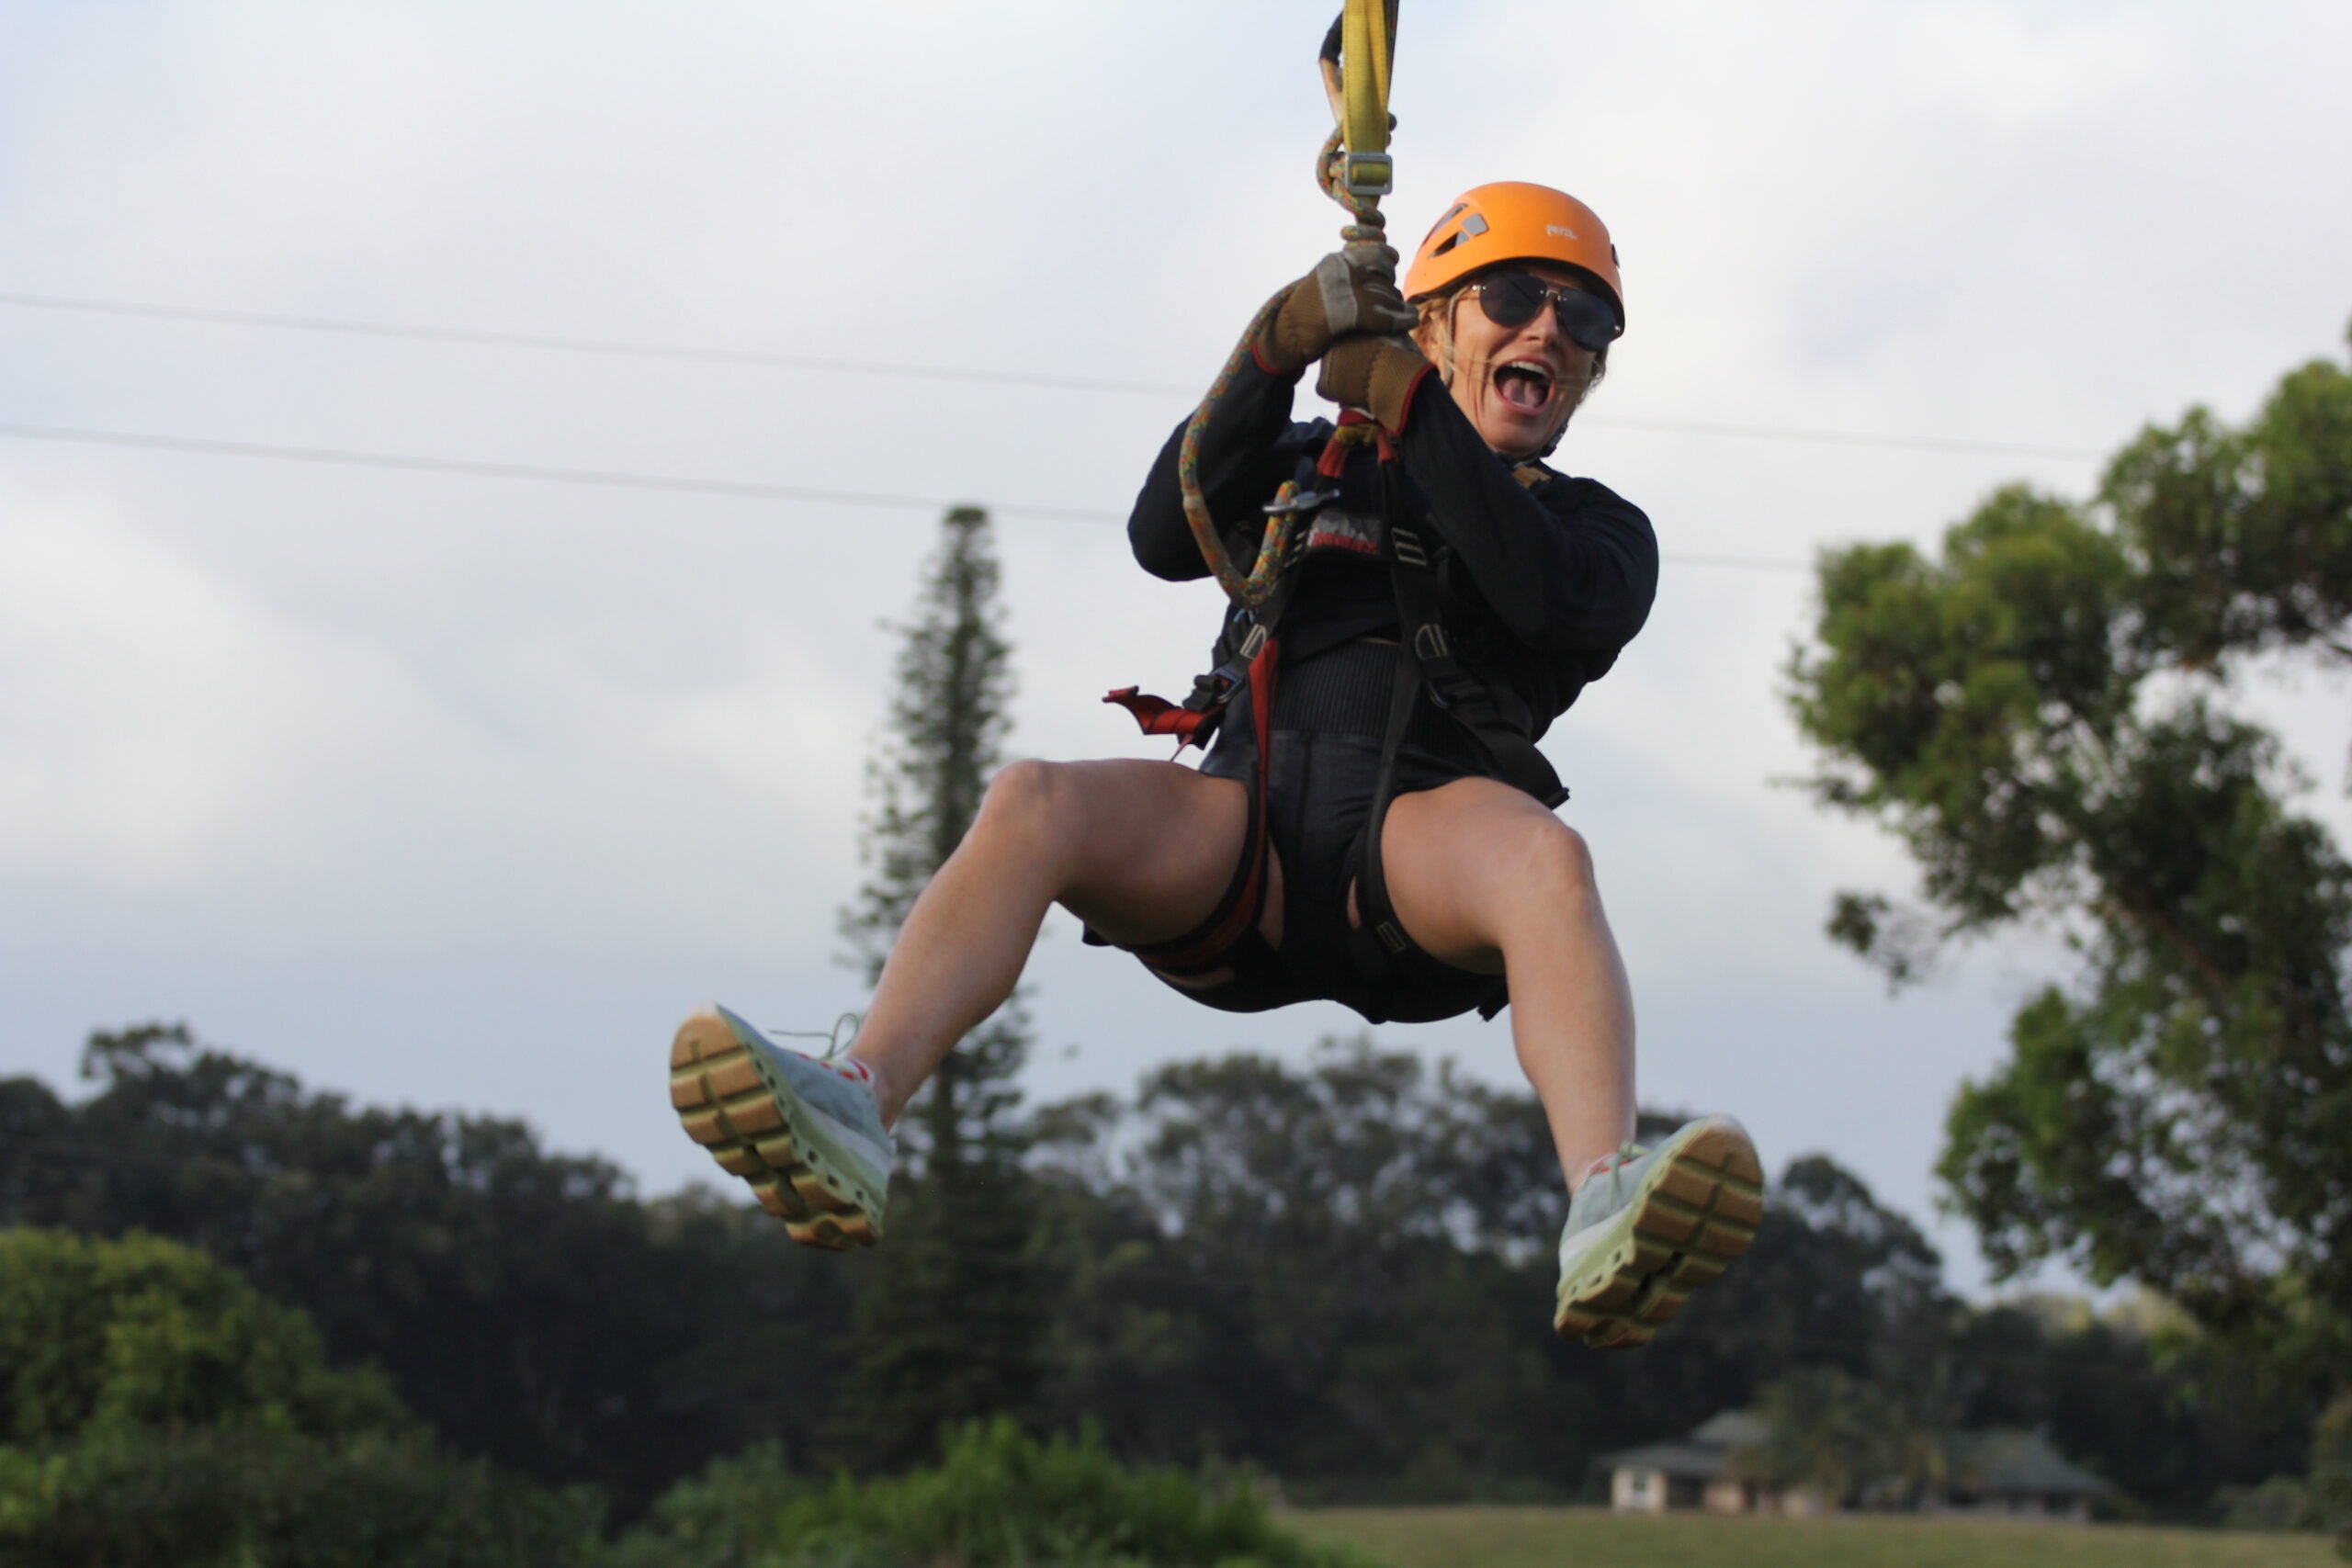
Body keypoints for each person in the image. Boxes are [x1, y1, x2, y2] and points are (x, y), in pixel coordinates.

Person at [668, 182, 1763, 1348]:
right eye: (1511, 297)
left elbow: (1532, 585)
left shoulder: (1601, 532)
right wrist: (1274, 345)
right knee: (1031, 799)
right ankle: (861, 1102)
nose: (1548, 330)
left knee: (1550, 864)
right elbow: (1161, 531)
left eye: (1583, 322)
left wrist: (1408, 406)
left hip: (1417, 853)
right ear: (1435, 319)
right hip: (1238, 836)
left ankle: (1601, 1192)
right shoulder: (1309, 460)